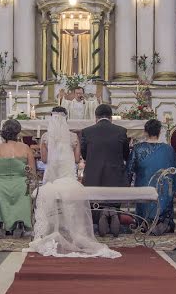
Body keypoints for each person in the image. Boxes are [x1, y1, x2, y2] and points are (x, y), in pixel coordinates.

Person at [26, 110, 120, 259]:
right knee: (71, 201)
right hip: (69, 181)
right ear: (66, 120)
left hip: (51, 181)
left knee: (48, 197)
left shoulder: (45, 137)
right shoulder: (73, 137)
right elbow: (77, 160)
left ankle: (51, 231)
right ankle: (72, 231)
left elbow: (44, 160)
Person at [80, 103, 130, 237]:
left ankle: (100, 216)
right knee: (114, 194)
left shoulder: (87, 131)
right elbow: (126, 154)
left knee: (95, 198)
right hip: (115, 173)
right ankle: (113, 212)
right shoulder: (121, 131)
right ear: (111, 117)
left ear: (96, 118)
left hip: (93, 173)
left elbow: (84, 154)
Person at [127, 119, 176, 235]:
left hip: (144, 191)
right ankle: (163, 222)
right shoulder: (169, 149)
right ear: (160, 132)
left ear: (145, 132)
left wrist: (126, 186)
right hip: (163, 194)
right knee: (164, 195)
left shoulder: (137, 148)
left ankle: (145, 223)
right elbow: (175, 171)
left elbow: (129, 170)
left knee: (144, 195)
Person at [0, 119, 35, 238]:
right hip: (20, 185)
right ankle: (19, 223)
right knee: (24, 187)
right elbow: (32, 172)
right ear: (18, 132)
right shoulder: (25, 149)